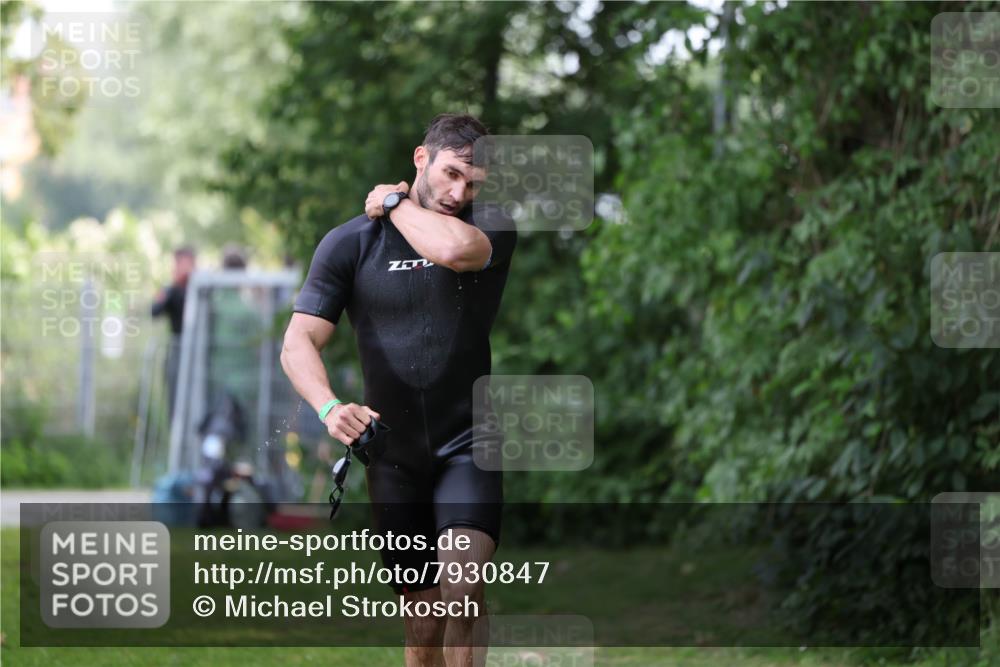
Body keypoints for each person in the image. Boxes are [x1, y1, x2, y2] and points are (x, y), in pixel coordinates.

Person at [281, 113, 516, 667]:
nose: (460, 192)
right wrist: (329, 407)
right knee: (424, 621)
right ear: (421, 158)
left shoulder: (491, 227)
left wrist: (395, 205)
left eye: (473, 182)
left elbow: (455, 253)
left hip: (468, 445)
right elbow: (297, 343)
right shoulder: (349, 244)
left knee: (463, 595)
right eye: (451, 173)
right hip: (393, 455)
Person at [152, 245, 196, 420]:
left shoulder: (202, 289)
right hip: (177, 353)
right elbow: (154, 311)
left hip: (198, 354)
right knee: (175, 403)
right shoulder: (171, 290)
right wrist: (172, 287)